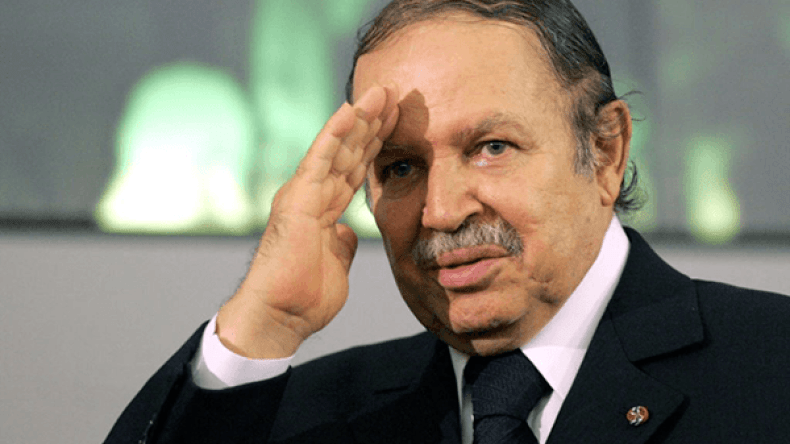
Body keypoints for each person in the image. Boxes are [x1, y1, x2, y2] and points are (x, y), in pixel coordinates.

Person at [105, 1, 790, 443]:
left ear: (606, 151)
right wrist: (263, 323)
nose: (441, 210)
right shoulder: (310, 415)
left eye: (491, 148)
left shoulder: (772, 367)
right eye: (401, 166)